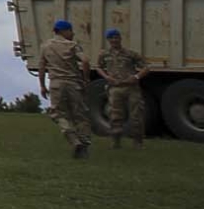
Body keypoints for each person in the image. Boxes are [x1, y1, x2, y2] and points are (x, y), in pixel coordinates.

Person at [35, 18, 92, 160]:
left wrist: (42, 85)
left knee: (58, 114)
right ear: (63, 31)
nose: (72, 34)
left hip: (56, 84)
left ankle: (74, 140)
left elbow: (42, 67)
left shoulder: (45, 46)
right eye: (70, 30)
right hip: (74, 83)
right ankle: (84, 143)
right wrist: (86, 79)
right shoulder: (73, 45)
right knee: (80, 115)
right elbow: (85, 61)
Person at [98, 28, 146, 146]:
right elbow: (98, 67)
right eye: (111, 38)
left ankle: (137, 141)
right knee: (115, 115)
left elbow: (146, 67)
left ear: (120, 38)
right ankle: (115, 141)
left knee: (136, 115)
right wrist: (106, 77)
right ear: (108, 40)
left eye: (116, 37)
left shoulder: (130, 54)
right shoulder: (104, 54)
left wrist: (136, 77)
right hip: (115, 88)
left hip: (131, 88)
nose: (114, 40)